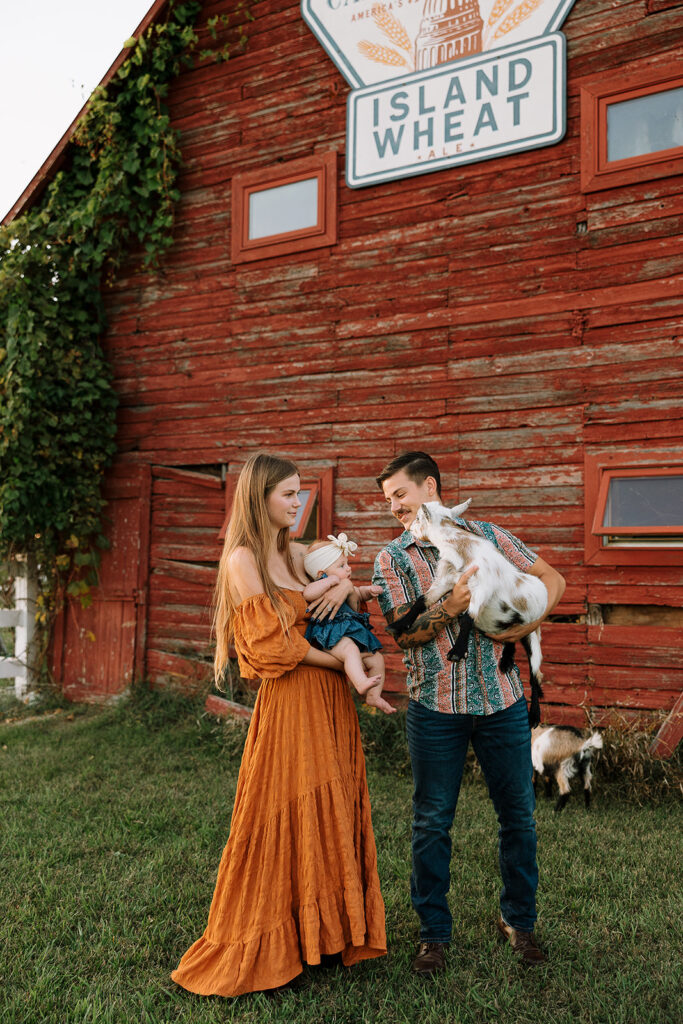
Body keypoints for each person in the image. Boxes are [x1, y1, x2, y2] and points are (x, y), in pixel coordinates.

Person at [171, 453, 387, 997]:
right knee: (285, 806)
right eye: (288, 494)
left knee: (329, 804)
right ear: (259, 496)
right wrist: (340, 662)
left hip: (331, 700)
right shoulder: (242, 560)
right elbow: (272, 648)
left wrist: (348, 591)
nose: (298, 503)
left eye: (299, 494)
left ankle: (328, 936)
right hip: (292, 700)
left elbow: (323, 614)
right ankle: (273, 939)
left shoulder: (295, 552)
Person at [372, 451, 566, 973]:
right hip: (436, 706)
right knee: (432, 823)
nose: (393, 507)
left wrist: (526, 626)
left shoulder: (489, 535)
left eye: (400, 495)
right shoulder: (393, 559)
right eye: (388, 499)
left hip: (501, 703)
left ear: (429, 487)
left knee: (518, 818)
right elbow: (404, 635)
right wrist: (451, 607)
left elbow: (554, 579)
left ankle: (519, 924)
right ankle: (434, 935)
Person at [302, 533, 396, 715]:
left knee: (377, 659)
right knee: (350, 650)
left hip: (350, 632)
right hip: (329, 633)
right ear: (321, 573)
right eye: (341, 566)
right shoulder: (322, 583)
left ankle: (374, 696)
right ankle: (360, 682)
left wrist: (369, 591)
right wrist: (330, 581)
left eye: (347, 564)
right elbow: (308, 593)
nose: (348, 569)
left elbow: (358, 593)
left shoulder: (344, 584)